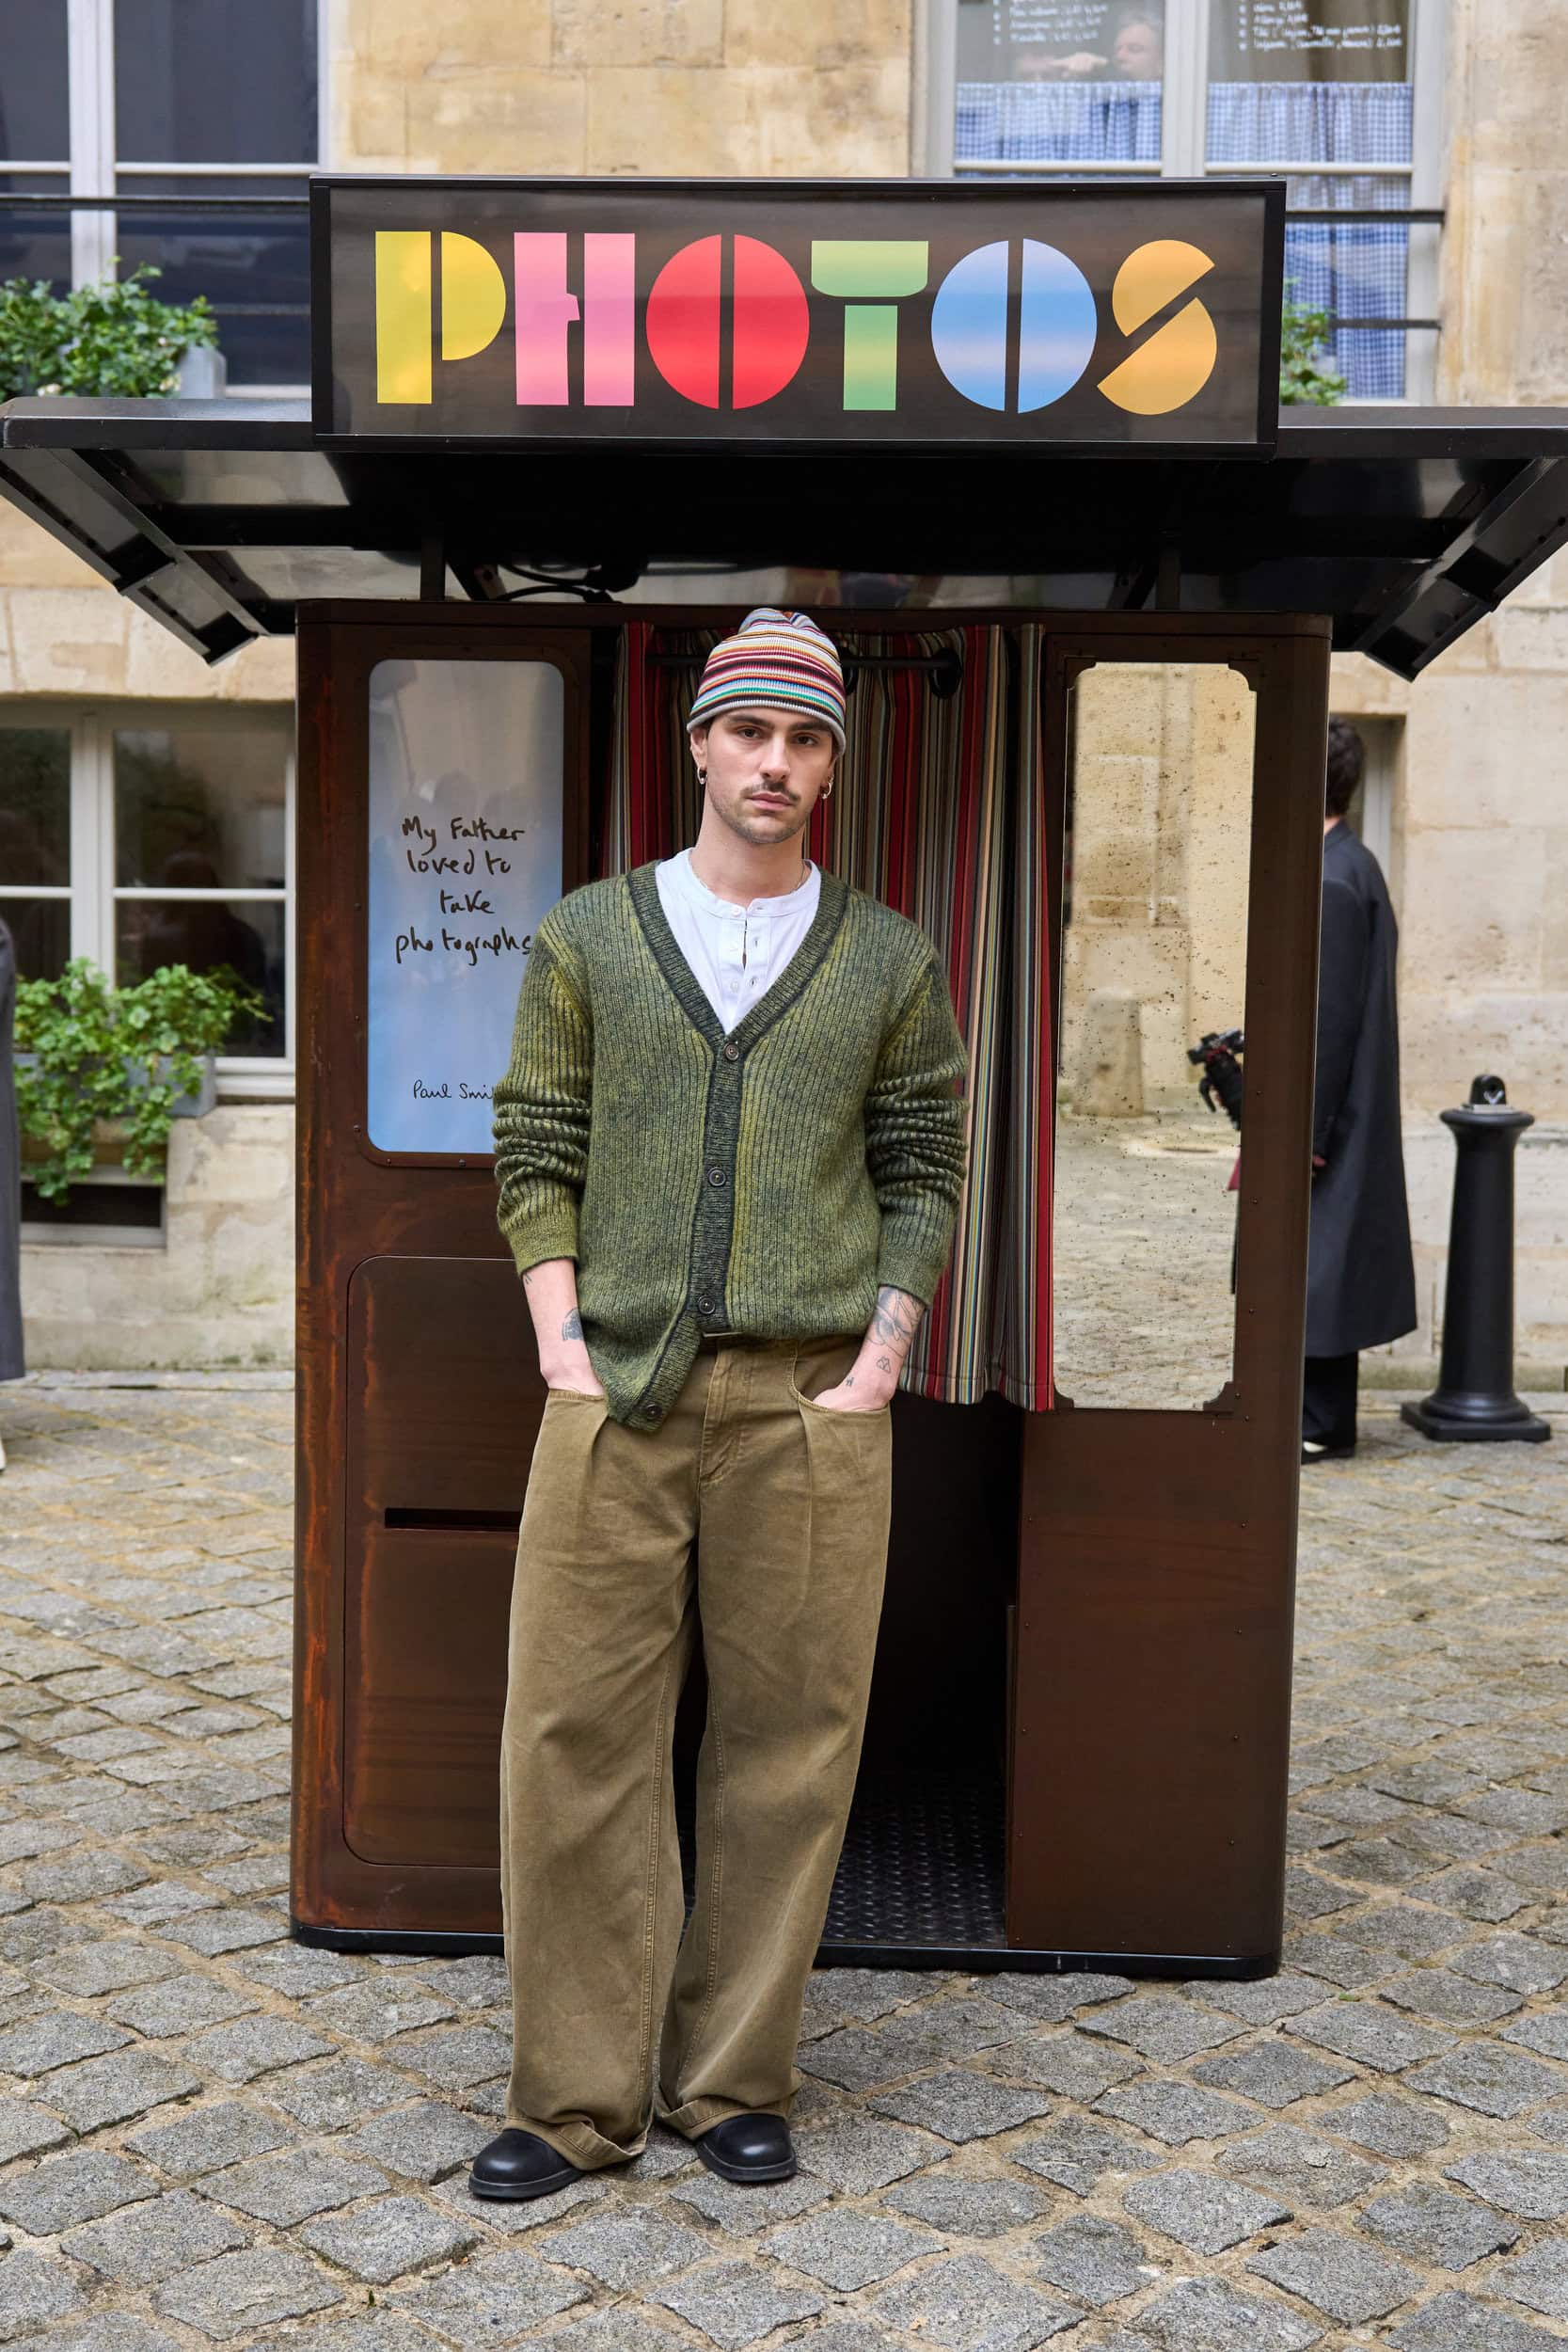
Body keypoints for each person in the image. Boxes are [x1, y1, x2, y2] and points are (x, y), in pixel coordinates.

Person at [474, 608, 968, 2201]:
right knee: (570, 1734)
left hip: (810, 1401)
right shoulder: (589, 938)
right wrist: (559, 1342)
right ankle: (572, 2098)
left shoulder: (885, 956)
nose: (774, 761)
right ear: (697, 744)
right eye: (748, 730)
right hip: (611, 1391)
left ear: (831, 767)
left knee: (790, 1741)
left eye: (805, 738)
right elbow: (534, 1143)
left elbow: (924, 1163)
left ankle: (730, 2078)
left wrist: (878, 1360)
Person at [1304, 718, 1416, 1460]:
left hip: (1332, 1118)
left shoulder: (1333, 876)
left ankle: (1318, 1426)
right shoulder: (1351, 862)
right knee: (1324, 1265)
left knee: (1320, 1264)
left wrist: (1304, 1134)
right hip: (1346, 1110)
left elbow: (1329, 1022)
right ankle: (1319, 1420)